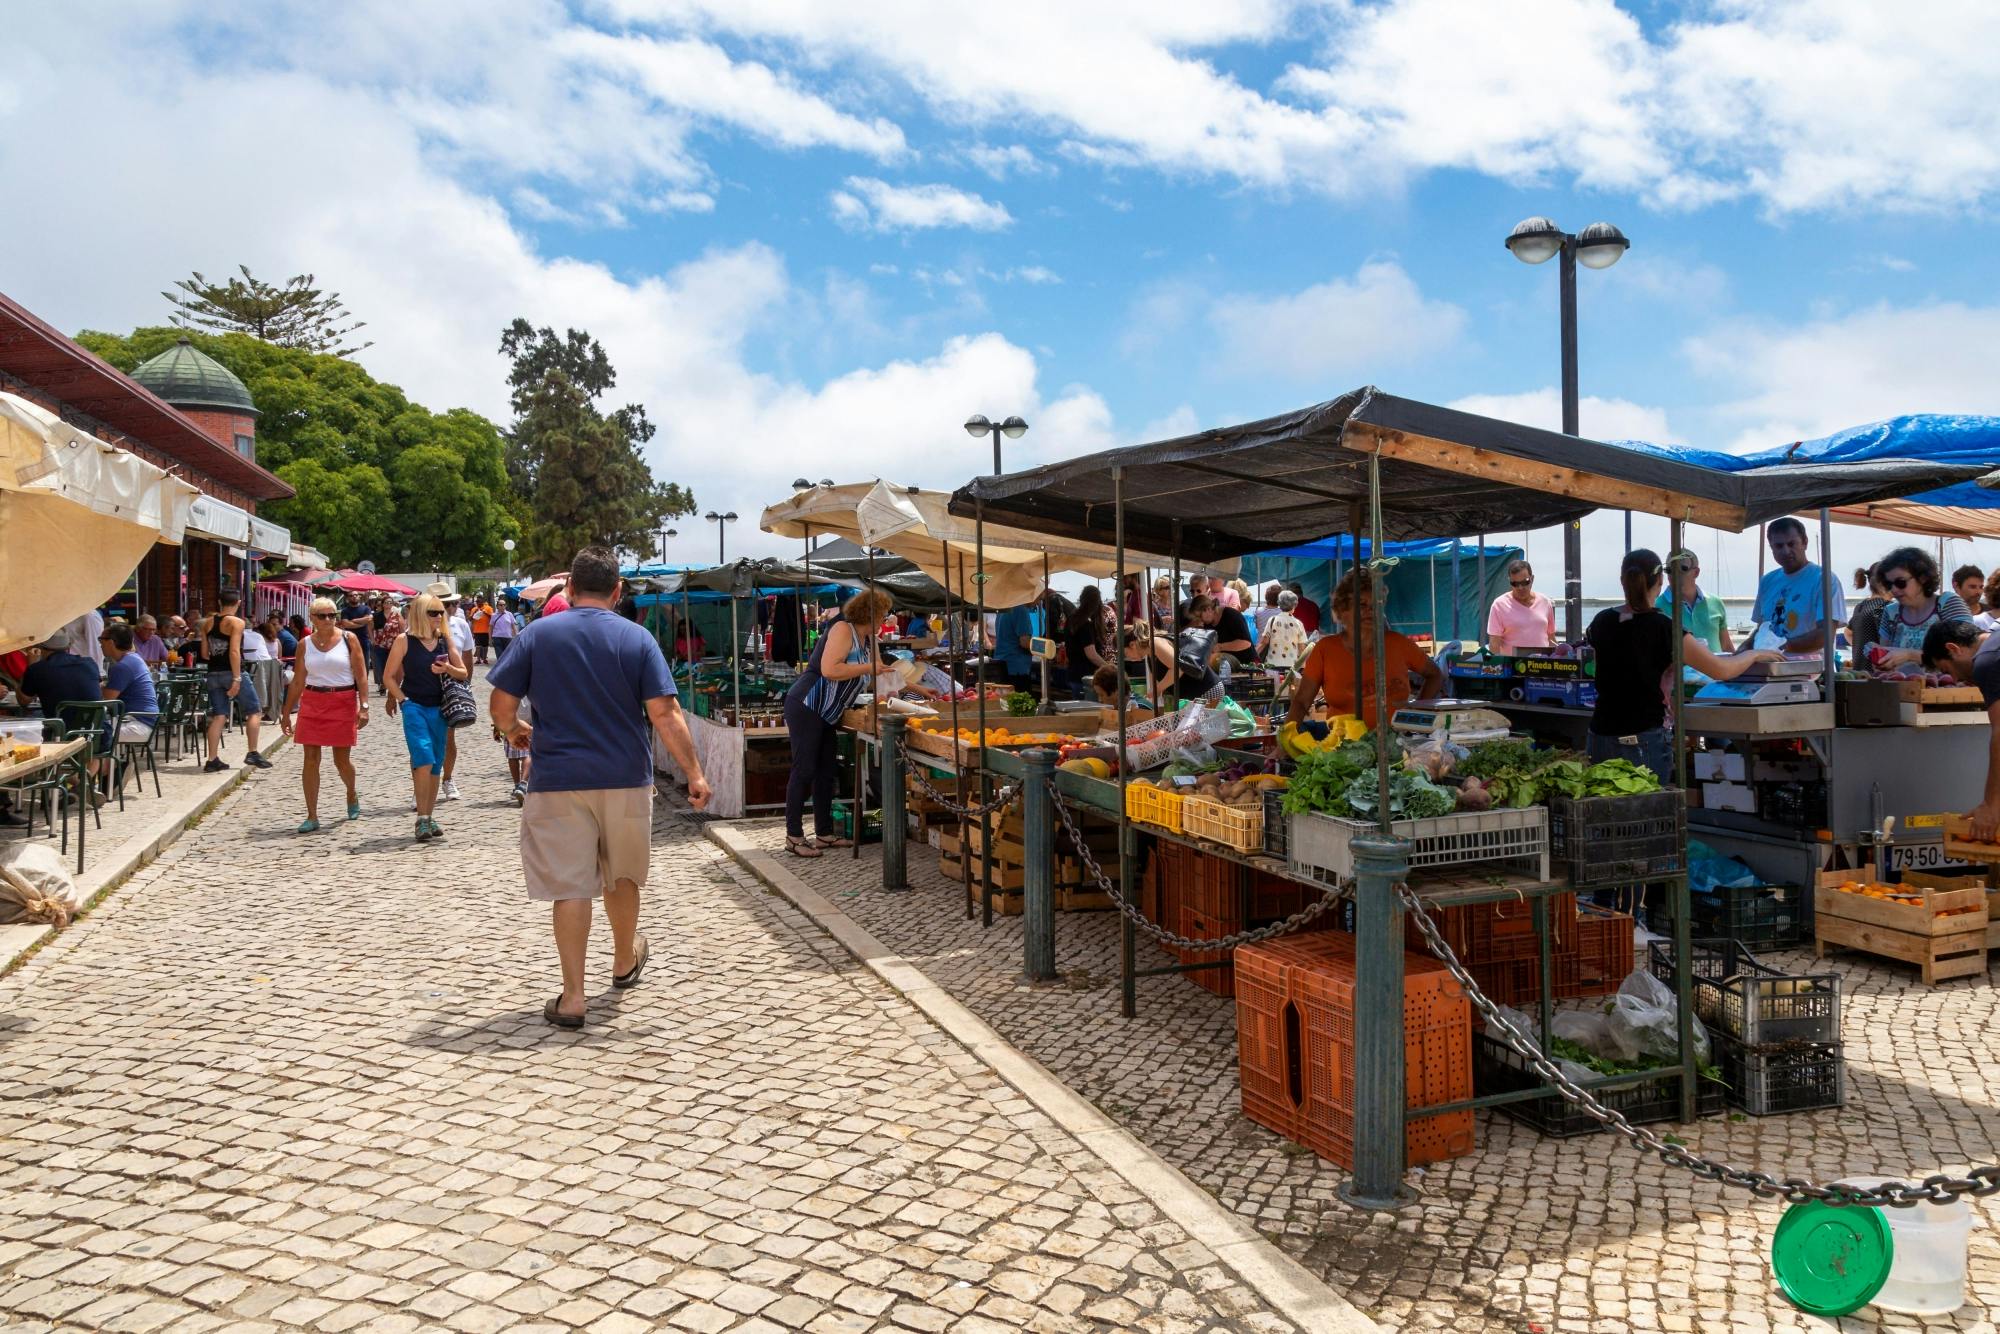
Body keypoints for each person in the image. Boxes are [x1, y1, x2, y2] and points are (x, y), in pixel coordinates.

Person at [488, 546, 710, 1028]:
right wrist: (694, 773)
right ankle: (624, 960)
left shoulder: (536, 635)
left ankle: (572, 998)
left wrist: (514, 731)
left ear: (568, 590)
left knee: (571, 885)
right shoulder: (638, 640)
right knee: (622, 874)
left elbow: (501, 705)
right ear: (617, 591)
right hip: (626, 778)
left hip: (557, 779)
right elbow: (665, 714)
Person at [1588, 550, 1780, 780]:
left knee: (1605, 810)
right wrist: (1755, 654)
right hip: (1643, 737)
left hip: (1600, 734)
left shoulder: (1601, 620)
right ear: (1660, 581)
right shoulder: (1663, 627)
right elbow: (1722, 670)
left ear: (1622, 581)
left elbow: (1598, 671)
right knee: (1648, 811)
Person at [780, 589, 891, 858]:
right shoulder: (843, 629)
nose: (886, 619)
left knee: (826, 772)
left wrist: (916, 689)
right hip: (808, 705)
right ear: (871, 612)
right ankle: (794, 836)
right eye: (883, 613)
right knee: (804, 769)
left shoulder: (869, 639)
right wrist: (868, 669)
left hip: (829, 711)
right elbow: (831, 669)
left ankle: (824, 834)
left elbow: (880, 670)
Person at [1285, 571, 1444, 730]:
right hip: (1344, 746)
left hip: (1396, 742)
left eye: (1376, 605)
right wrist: (1285, 740)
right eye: (1361, 605)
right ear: (1342, 610)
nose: (1370, 610)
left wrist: (1416, 712)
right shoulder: (1325, 649)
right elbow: (1301, 702)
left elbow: (1435, 675)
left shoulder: (1398, 643)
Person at [278, 597, 369, 833]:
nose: (328, 619)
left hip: (342, 700)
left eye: (332, 615)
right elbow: (298, 680)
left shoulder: (349, 639)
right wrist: (286, 712)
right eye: (322, 616)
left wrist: (365, 706)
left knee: (341, 761)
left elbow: (361, 675)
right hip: (313, 701)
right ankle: (312, 815)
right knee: (310, 759)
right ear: (312, 618)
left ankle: (351, 792)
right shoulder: (304, 644)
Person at [383, 592, 468, 842]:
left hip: (440, 709)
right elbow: (388, 676)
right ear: (420, 613)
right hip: (415, 707)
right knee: (423, 758)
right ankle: (421, 818)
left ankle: (429, 817)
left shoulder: (445, 640)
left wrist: (448, 668)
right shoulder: (404, 640)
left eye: (441, 612)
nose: (439, 616)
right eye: (433, 612)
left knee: (436, 763)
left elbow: (462, 672)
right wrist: (402, 700)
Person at [1921, 620, 2000, 839]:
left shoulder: (1988, 662)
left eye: (1948, 670)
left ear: (1953, 649)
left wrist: (1991, 804)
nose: (1955, 680)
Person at [197, 588, 270, 773]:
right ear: (238, 603)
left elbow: (205, 654)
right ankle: (252, 752)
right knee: (254, 711)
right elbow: (234, 651)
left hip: (213, 673)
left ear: (219, 603)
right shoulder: (236, 622)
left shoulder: (206, 624)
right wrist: (237, 678)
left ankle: (212, 759)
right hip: (232, 672)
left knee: (219, 715)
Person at [1869, 546, 1975, 669]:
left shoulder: (1947, 604)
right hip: (1903, 686)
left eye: (1900, 582)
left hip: (1945, 687)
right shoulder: (1891, 612)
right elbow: (1885, 656)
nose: (1894, 589)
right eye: (1889, 584)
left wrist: (1910, 655)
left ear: (1923, 578)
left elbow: (1964, 654)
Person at [1750, 517, 1843, 652]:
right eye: (1779, 546)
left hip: (1810, 670)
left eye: (1791, 544)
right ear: (1771, 548)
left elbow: (1825, 635)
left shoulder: (1824, 580)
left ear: (1804, 542)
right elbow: (1762, 629)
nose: (1786, 551)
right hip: (1770, 667)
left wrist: (1781, 646)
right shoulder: (1767, 581)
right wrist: (1742, 651)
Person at [99, 623, 159, 774]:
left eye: (101, 639)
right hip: (143, 721)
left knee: (89, 735)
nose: (99, 644)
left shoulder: (122, 666)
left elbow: (106, 699)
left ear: (111, 642)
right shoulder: (134, 659)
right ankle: (107, 776)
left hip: (138, 724)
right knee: (97, 731)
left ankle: (107, 775)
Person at [436, 584, 476, 802]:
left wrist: (465, 684)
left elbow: (467, 656)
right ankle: (423, 783)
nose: (450, 607)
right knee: (425, 739)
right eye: (446, 604)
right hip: (427, 686)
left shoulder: (460, 625)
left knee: (449, 737)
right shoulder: (415, 628)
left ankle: (447, 779)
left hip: (452, 686)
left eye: (452, 603)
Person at [1121, 622, 1215, 708]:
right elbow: (1157, 685)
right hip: (1194, 697)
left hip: (1206, 691)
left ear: (1132, 645)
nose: (1128, 657)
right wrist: (1152, 694)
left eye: (1126, 653)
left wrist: (1158, 689)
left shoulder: (1155, 643)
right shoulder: (1150, 655)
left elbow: (1177, 668)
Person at [1655, 553, 1733, 654]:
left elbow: (1726, 646)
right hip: (1678, 670)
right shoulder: (1657, 607)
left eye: (1682, 569)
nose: (1675, 574)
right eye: (1669, 570)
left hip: (1714, 669)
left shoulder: (1715, 603)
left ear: (1696, 572)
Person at [1487, 560, 1556, 656]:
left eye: (1525, 582)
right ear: (1510, 582)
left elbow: (1551, 638)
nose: (1520, 587)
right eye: (1515, 584)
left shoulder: (1545, 602)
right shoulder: (1499, 605)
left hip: (1542, 666)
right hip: (1512, 668)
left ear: (1532, 579)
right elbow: (1494, 645)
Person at [993, 595, 1045, 692]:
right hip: (1016, 667)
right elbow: (1025, 642)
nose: (1038, 603)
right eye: (1039, 599)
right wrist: (1045, 648)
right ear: (1031, 595)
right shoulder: (1021, 609)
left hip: (1003, 663)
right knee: (1020, 703)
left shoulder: (1006, 607)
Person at [1064, 587, 1112, 693]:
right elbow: (1091, 655)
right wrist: (1109, 668)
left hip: (1073, 674)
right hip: (1086, 678)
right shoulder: (1085, 624)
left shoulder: (1071, 619)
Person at [1196, 594, 1256, 668]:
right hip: (1226, 667)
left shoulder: (1231, 615)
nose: (1199, 620)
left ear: (1208, 609)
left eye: (1199, 616)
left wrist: (1220, 647)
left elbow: (1246, 643)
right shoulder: (1207, 623)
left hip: (1247, 665)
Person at [1259, 591, 1309, 672]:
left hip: (1272, 664)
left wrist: (1255, 654)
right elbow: (1302, 649)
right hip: (1292, 665)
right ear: (1294, 605)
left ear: (1279, 603)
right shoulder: (1298, 624)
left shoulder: (1272, 620)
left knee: (1274, 684)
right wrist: (1303, 667)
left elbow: (1264, 642)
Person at [1848, 565, 1892, 650]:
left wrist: (1860, 649)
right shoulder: (1884, 606)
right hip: (1875, 662)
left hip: (1859, 662)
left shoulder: (1860, 606)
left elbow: (1848, 632)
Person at [62, 606, 106, 672]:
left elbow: (96, 647)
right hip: (64, 667)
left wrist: (97, 673)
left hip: (84, 669)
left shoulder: (89, 616)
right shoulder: (61, 614)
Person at [469, 593, 494, 665]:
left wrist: (485, 613)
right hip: (477, 630)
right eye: (477, 602)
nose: (478, 603)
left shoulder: (488, 608)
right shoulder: (474, 609)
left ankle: (485, 659)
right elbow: (470, 619)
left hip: (486, 630)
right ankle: (478, 659)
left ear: (482, 601)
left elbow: (492, 618)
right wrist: (474, 613)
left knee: (485, 646)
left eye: (479, 601)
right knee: (478, 646)